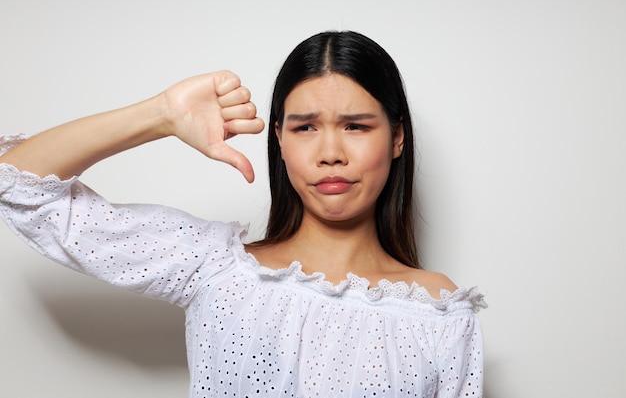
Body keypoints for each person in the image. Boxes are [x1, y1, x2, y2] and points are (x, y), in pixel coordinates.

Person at [0, 31, 485, 397]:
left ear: (397, 138)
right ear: (279, 138)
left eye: (356, 126)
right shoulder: (214, 267)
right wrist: (161, 114)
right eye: (306, 127)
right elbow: (17, 186)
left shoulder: (438, 311)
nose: (330, 152)